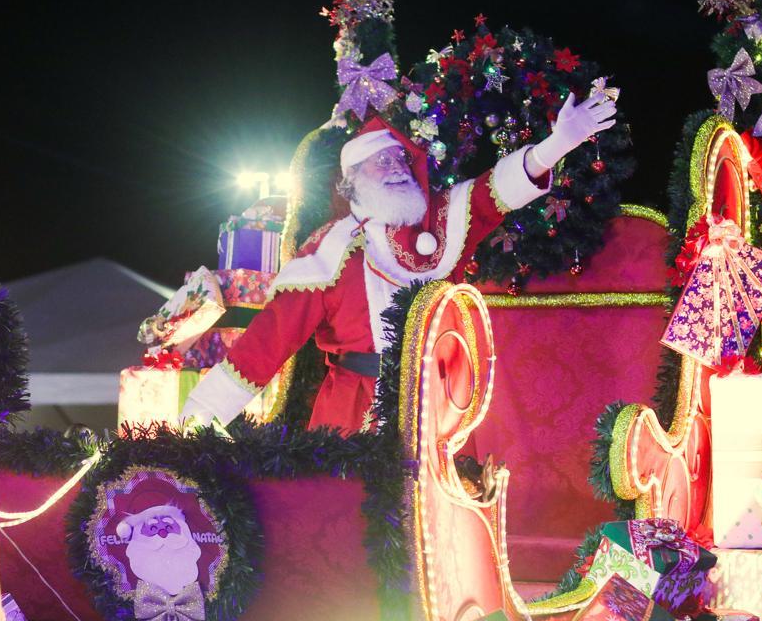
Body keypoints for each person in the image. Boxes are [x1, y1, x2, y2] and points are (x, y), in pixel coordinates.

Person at [181, 90, 618, 435]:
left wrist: (557, 144)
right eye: (378, 162)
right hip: (353, 417)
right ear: (350, 183)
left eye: (398, 159)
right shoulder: (329, 253)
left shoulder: (442, 224)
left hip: (436, 411)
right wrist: (203, 413)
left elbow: (493, 192)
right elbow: (271, 338)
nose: (394, 168)